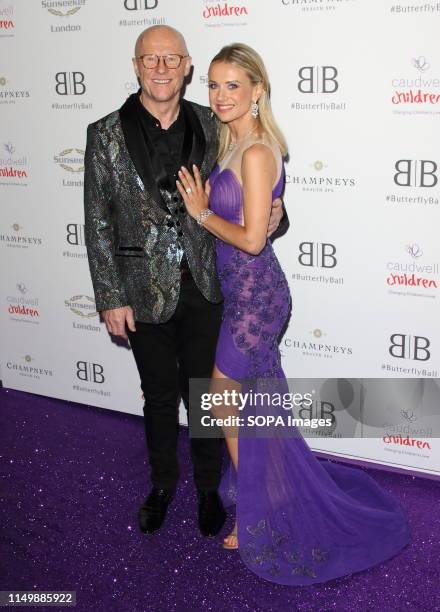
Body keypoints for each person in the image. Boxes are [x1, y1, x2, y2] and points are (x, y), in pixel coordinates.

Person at [176, 43, 411, 585]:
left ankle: (266, 509)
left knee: (221, 399)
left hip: (256, 296)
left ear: (258, 90)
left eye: (233, 85)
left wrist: (202, 211)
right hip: (243, 291)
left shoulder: (257, 152)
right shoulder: (229, 141)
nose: (220, 95)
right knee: (250, 401)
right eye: (213, 84)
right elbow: (266, 220)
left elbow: (254, 240)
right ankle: (272, 498)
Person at [83, 26, 286, 538]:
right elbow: (98, 220)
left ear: (187, 66)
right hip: (141, 291)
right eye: (150, 59)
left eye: (171, 59)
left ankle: (207, 487)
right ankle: (161, 485)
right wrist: (110, 296)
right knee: (157, 396)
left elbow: (251, 199)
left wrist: (277, 219)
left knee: (204, 396)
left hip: (208, 287)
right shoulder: (103, 134)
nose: (160, 68)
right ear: (135, 66)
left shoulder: (213, 121)